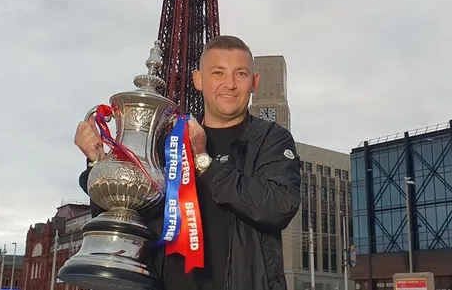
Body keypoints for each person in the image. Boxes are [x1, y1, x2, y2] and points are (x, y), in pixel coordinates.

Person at [75, 35, 303, 290]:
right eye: (218, 73)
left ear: (254, 82)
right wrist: (97, 161)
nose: (229, 84)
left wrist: (203, 161)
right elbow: (125, 219)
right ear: (198, 80)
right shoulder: (166, 141)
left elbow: (278, 206)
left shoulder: (271, 139)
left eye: (240, 74)